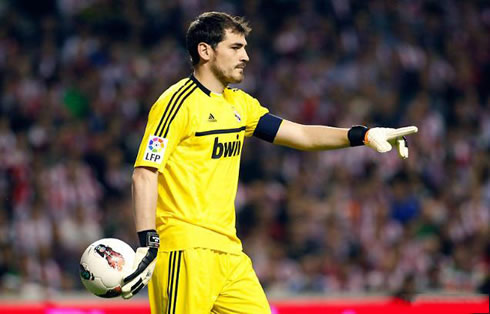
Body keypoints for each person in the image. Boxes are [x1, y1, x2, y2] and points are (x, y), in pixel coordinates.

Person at [120, 11, 417, 314]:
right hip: (185, 249)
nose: (246, 56)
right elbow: (145, 172)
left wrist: (364, 135)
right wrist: (148, 242)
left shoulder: (239, 104)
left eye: (245, 47)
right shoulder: (176, 103)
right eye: (235, 47)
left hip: (229, 252)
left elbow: (301, 134)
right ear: (205, 50)